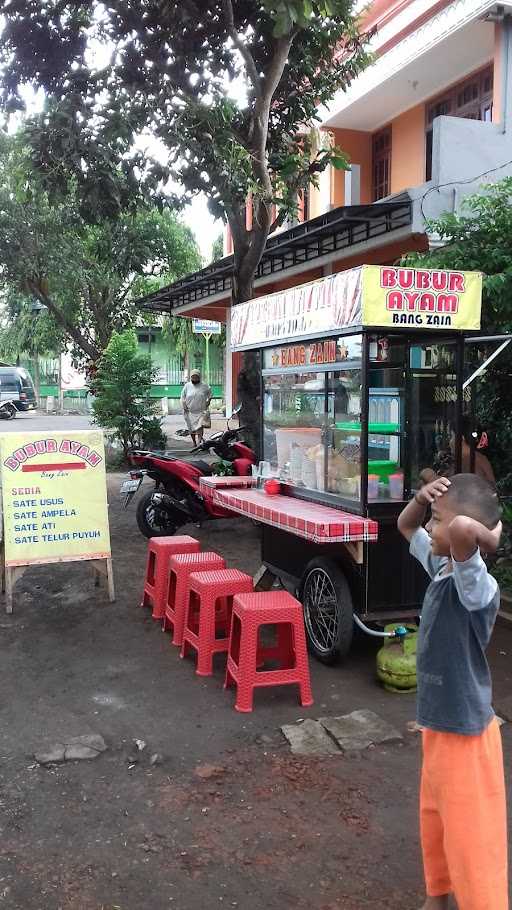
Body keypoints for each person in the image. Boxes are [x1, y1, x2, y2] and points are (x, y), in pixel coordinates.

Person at [397, 474, 506, 910]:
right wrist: (422, 501)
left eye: (436, 520)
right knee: (435, 816)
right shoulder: (442, 567)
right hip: (439, 721)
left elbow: (462, 531)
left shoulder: (476, 585)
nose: (431, 527)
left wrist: (491, 538)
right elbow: (406, 526)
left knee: (471, 832)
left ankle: (483, 902)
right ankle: (438, 894)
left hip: (466, 732)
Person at [180, 369, 212, 448]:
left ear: (199, 377)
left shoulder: (205, 386)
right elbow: (182, 397)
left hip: (201, 411)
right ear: (190, 377)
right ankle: (194, 442)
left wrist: (208, 401)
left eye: (196, 377)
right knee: (191, 429)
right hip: (189, 411)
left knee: (200, 427)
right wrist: (184, 405)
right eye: (192, 377)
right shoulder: (187, 386)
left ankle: (199, 443)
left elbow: (210, 394)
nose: (194, 379)